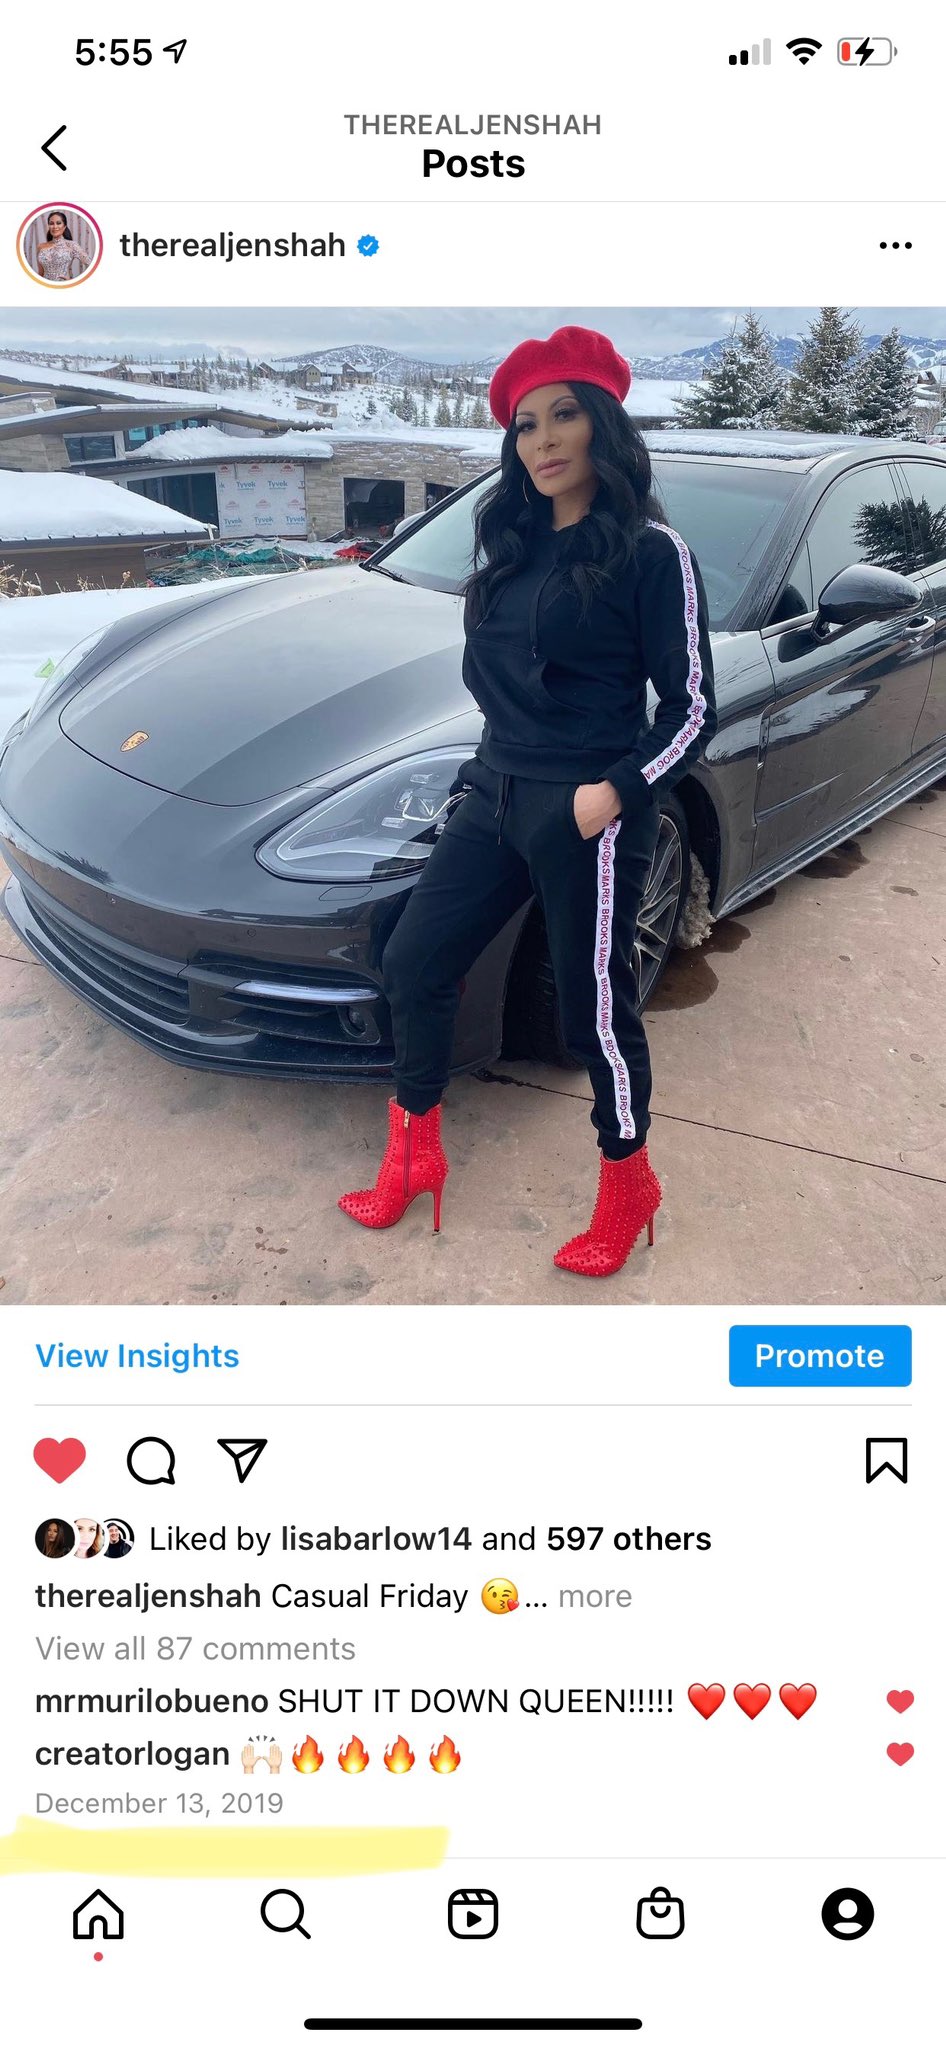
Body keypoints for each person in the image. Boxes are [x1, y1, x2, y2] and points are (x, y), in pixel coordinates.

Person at [339, 326, 717, 1276]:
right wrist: (482, 779)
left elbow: (692, 710)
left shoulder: (651, 552)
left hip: (588, 809)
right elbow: (500, 691)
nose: (542, 440)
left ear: (604, 427)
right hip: (496, 791)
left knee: (594, 1014)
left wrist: (614, 793)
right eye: (524, 424)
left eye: (564, 415)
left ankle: (628, 1186)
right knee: (414, 958)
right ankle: (415, 1154)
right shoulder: (508, 549)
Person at [34, 212, 88, 283]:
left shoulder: (72, 245)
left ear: (64, 226)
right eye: (51, 223)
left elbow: (91, 265)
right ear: (49, 226)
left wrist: (73, 282)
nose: (55, 226)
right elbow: (40, 273)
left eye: (58, 223)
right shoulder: (41, 247)